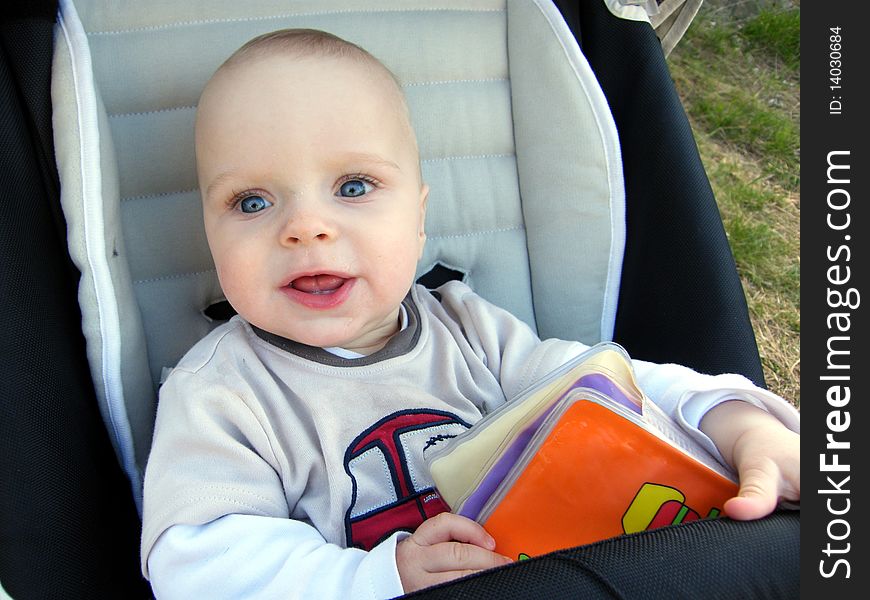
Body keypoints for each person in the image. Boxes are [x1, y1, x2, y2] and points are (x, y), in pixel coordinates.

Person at [141, 28, 800, 599]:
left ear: (420, 218)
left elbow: (606, 387)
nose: (306, 227)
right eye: (252, 202)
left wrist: (735, 422)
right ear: (208, 232)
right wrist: (379, 577)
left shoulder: (468, 330)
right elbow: (196, 560)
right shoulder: (221, 392)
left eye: (354, 187)